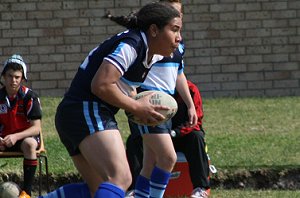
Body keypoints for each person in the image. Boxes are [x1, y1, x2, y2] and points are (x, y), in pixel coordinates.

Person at [40, 2, 182, 198]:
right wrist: (136, 106)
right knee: (120, 177)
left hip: (76, 114)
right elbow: (101, 85)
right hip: (85, 109)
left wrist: (137, 100)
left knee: (96, 189)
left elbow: (120, 86)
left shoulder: (148, 53)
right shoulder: (131, 45)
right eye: (174, 30)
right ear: (154, 30)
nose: (179, 37)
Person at [107, 1, 198, 197]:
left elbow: (179, 75)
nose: (173, 14)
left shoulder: (178, 45)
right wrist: (136, 99)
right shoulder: (149, 44)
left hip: (166, 107)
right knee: (168, 158)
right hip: (150, 105)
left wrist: (190, 105)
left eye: (177, 12)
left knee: (149, 164)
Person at [126, 81, 211, 198]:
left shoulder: (190, 90)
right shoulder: (146, 92)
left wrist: (174, 133)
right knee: (134, 140)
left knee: (197, 137)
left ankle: (200, 188)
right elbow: (135, 118)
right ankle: (135, 189)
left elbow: (195, 122)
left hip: (180, 136)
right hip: (156, 135)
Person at [0, 54, 43, 198]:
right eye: (10, 76)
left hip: (23, 138)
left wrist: (15, 136)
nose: (13, 80)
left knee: (30, 144)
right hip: (3, 139)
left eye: (17, 77)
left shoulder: (30, 97)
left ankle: (26, 193)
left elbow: (36, 128)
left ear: (23, 79)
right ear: (3, 77)